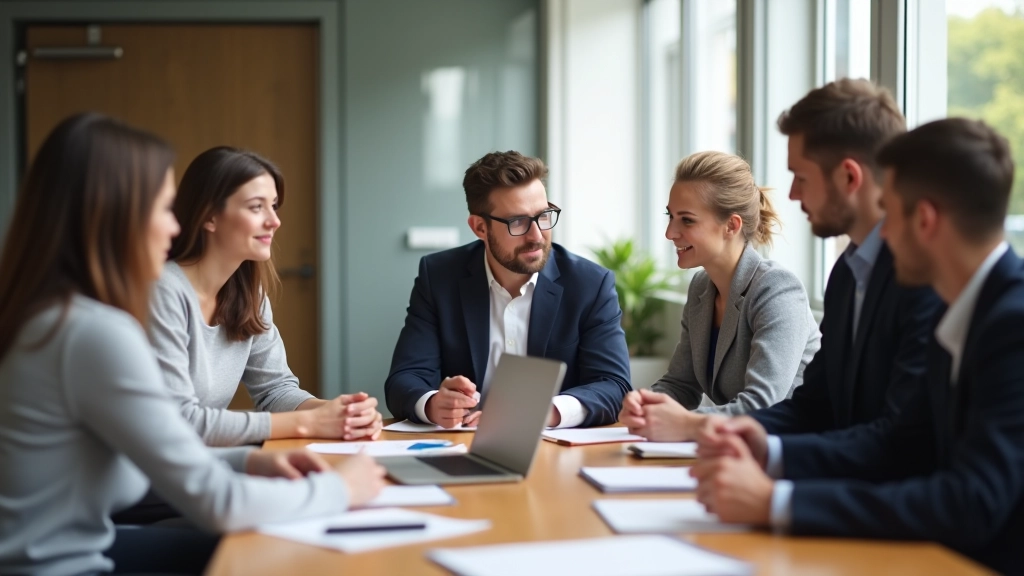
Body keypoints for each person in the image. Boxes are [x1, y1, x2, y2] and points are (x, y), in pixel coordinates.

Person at [0, 113, 385, 575]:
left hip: (78, 547)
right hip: (68, 565)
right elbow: (213, 501)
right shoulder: (94, 333)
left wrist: (250, 461)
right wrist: (343, 487)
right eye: (163, 209)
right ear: (113, 212)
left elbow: (133, 469)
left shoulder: (52, 317)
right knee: (285, 553)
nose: (172, 228)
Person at [692, 118, 1024, 575]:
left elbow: (972, 500)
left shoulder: (1011, 324)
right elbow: (899, 441)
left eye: (890, 212)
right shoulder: (969, 307)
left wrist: (778, 502)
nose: (880, 237)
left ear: (924, 220)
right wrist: (771, 451)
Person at [693, 79, 942, 449]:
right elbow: (814, 408)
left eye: (801, 177)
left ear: (848, 176)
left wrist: (775, 481)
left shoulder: (924, 279)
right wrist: (712, 431)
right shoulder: (847, 274)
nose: (791, 194)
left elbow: (899, 441)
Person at [148, 146, 383, 447]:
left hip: (198, 464)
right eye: (256, 207)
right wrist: (308, 422)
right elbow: (179, 420)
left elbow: (275, 390)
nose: (275, 221)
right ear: (209, 217)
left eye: (274, 206)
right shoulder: (163, 290)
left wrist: (338, 413)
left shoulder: (248, 293)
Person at [385, 151, 631, 428]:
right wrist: (433, 404)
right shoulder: (439, 277)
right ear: (480, 227)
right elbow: (404, 379)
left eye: (543, 216)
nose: (537, 235)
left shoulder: (589, 284)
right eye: (518, 222)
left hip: (550, 447)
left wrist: (537, 412)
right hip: (459, 444)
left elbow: (614, 385)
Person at [617, 151, 821, 440]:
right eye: (670, 216)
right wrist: (645, 404)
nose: (670, 233)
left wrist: (683, 424)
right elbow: (681, 384)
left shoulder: (777, 289)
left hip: (789, 453)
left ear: (732, 225)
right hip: (734, 449)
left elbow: (763, 405)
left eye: (686, 220)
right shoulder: (702, 287)